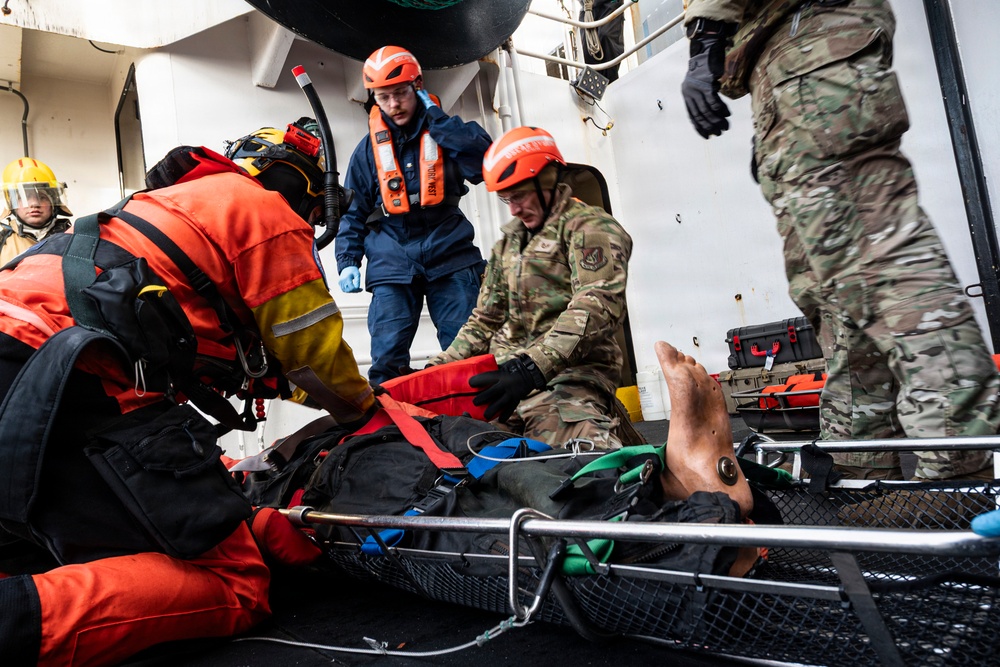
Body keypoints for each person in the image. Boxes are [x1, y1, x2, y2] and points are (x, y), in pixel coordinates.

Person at [0, 120, 374, 665]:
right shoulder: (266, 214)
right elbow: (313, 356)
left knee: (40, 552)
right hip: (69, 370)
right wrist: (364, 409)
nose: (307, 225)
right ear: (303, 191)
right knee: (235, 582)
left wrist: (240, 515)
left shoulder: (161, 210)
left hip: (29, 357)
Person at [679, 0, 1000, 480]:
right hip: (787, 66)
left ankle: (957, 476)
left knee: (881, 261)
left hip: (810, 46)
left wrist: (705, 40)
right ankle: (861, 478)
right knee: (833, 295)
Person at [428, 126, 633, 451]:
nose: (513, 209)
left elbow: (596, 305)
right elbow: (485, 320)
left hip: (570, 377)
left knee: (578, 463)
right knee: (459, 449)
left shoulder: (590, 228)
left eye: (519, 195)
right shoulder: (506, 245)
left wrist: (532, 367)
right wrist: (433, 372)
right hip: (507, 382)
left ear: (548, 180)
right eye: (506, 199)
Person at [335, 45, 491, 386]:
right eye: (383, 97)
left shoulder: (448, 131)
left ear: (417, 86)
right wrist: (348, 259)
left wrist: (440, 122)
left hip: (450, 253)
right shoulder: (366, 151)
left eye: (401, 93)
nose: (393, 105)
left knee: (469, 355)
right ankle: (393, 434)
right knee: (387, 359)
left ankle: (477, 431)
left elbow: (485, 165)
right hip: (391, 259)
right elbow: (354, 210)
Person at [1, 157, 73, 265]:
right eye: (25, 197)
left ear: (53, 203)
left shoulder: (73, 237)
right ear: (11, 204)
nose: (34, 204)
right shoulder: (2, 241)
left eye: (42, 197)